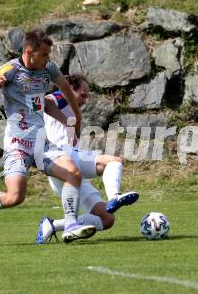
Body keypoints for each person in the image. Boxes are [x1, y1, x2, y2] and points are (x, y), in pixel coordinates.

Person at [0, 29, 96, 247]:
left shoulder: (48, 69)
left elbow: (64, 89)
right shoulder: (11, 69)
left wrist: (74, 116)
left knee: (73, 174)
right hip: (18, 144)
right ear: (29, 52)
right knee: (15, 197)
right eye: (44, 55)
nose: (48, 59)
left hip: (41, 142)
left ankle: (70, 225)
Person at [36, 73, 139, 244]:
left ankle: (52, 225)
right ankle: (114, 197)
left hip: (70, 166)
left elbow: (70, 137)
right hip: (62, 160)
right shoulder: (59, 98)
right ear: (70, 90)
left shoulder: (69, 111)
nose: (85, 100)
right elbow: (45, 101)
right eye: (83, 95)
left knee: (106, 219)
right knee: (113, 161)